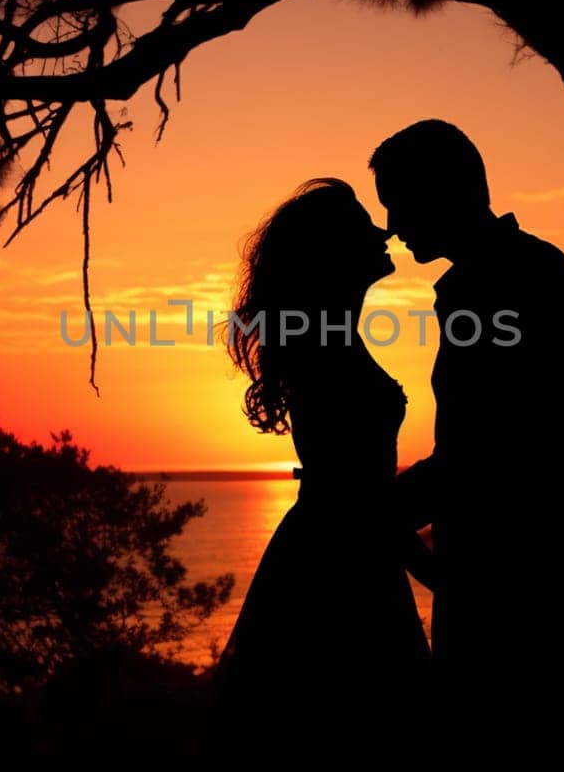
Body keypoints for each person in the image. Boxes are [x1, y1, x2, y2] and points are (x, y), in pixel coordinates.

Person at [370, 119, 564, 728]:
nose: (392, 224)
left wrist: (380, 511)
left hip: (507, 588)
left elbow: (492, 448)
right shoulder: (524, 272)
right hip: (523, 581)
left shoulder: (506, 286)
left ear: (442, 190)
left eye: (397, 202)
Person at [210, 177, 431, 736]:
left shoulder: (333, 337)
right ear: (333, 253)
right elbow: (352, 496)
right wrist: (438, 573)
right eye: (362, 225)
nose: (382, 231)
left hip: (339, 546)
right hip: (340, 561)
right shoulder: (326, 347)